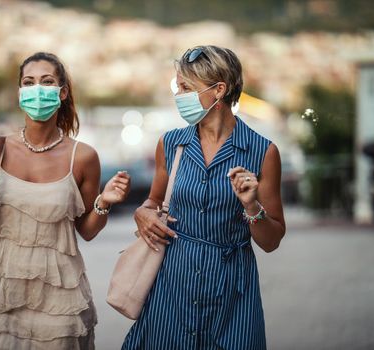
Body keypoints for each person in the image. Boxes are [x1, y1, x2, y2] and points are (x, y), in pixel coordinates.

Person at [122, 45, 286, 350]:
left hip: (232, 295)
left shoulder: (263, 152)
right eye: (178, 86)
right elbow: (151, 203)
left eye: (186, 87)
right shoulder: (170, 144)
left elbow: (272, 240)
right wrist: (142, 214)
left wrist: (251, 206)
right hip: (171, 288)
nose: (178, 95)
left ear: (219, 90)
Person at [0, 52, 131, 349]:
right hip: (3, 295)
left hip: (61, 298)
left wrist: (104, 201)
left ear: (62, 92)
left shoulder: (83, 157)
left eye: (46, 82)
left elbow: (86, 231)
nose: (36, 89)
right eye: (28, 82)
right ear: (20, 92)